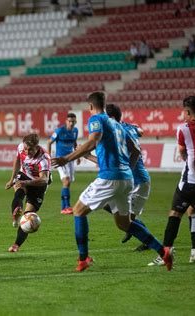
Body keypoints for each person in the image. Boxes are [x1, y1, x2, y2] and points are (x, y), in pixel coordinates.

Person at [52, 91, 173, 272]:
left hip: (109, 178)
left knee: (78, 211)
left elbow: (93, 141)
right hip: (127, 179)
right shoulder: (117, 125)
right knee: (124, 224)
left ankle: (83, 258)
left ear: (91, 106)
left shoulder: (96, 120)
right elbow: (134, 149)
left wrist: (66, 158)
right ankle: (163, 251)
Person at [149, 96, 195, 267]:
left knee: (175, 213)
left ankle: (166, 252)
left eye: (184, 111)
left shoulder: (183, 129)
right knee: (193, 211)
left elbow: (182, 152)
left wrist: (189, 159)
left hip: (191, 181)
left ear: (187, 111)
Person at [104, 104, 151, 252]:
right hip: (129, 181)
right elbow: (140, 131)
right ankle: (132, 228)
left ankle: (148, 241)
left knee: (126, 220)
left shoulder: (119, 133)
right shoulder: (129, 127)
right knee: (107, 205)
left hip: (139, 182)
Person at [5, 133, 51, 253]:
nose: (26, 151)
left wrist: (26, 183)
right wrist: (12, 179)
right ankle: (15, 217)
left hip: (38, 184)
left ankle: (16, 245)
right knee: (19, 192)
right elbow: (17, 160)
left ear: (37, 147)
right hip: (24, 175)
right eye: (25, 148)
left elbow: (44, 180)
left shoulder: (43, 158)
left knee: (28, 216)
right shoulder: (21, 147)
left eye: (30, 149)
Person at [47, 113, 80, 215]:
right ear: (66, 121)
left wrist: (77, 156)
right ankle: (66, 206)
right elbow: (49, 142)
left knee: (68, 183)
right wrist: (48, 157)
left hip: (70, 159)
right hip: (60, 159)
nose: (71, 123)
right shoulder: (59, 131)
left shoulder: (75, 131)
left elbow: (74, 143)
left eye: (73, 121)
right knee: (66, 181)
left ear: (75, 122)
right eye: (70, 121)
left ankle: (64, 207)